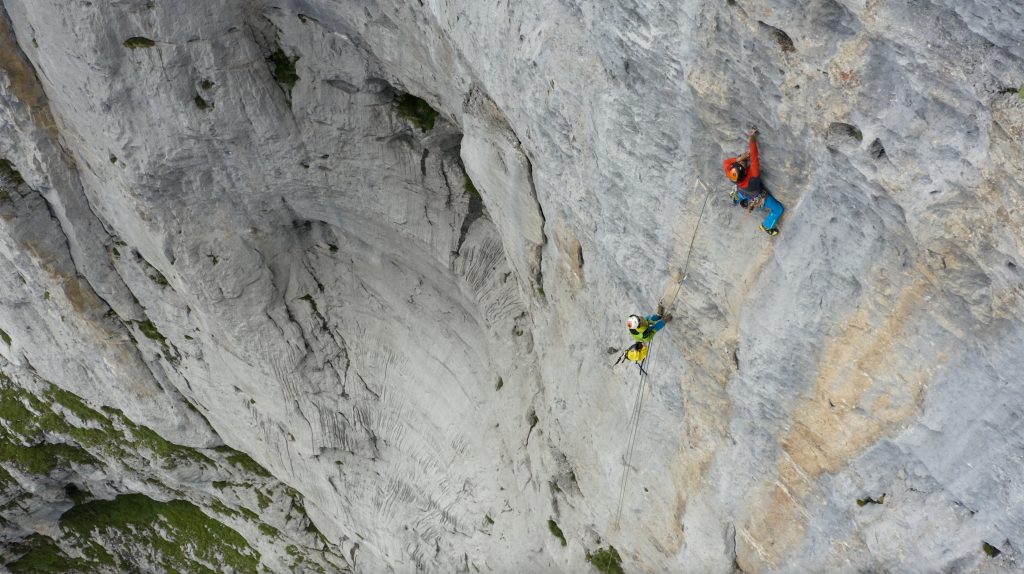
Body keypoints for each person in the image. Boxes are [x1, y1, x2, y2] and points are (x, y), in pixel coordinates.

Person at [723, 128, 784, 236]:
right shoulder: (753, 176)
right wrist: (751, 137)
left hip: (742, 191)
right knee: (778, 209)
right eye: (742, 163)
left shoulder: (731, 174)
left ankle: (737, 198)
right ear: (746, 172)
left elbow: (726, 163)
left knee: (740, 192)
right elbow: (754, 155)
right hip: (757, 196)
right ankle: (767, 226)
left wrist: (738, 159)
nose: (742, 161)